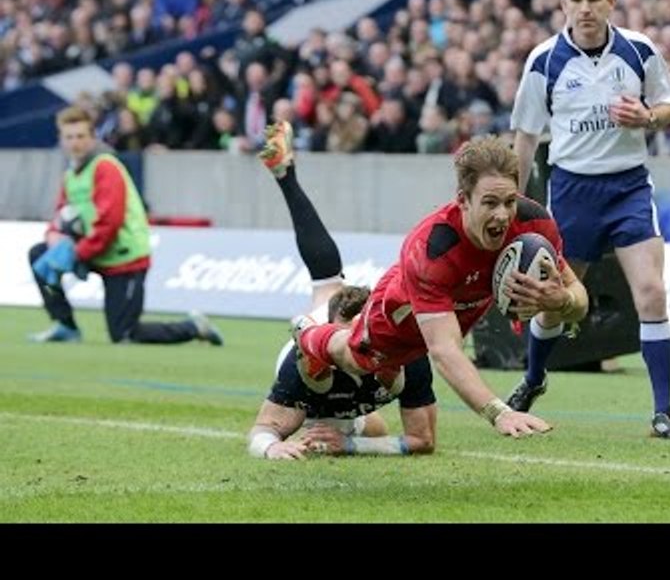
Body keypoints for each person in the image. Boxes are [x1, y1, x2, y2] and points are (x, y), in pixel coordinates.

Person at [291, 135, 589, 438]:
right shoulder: (430, 249)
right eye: (490, 203)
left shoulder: (535, 223)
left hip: (462, 306)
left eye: (510, 201)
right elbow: (444, 349)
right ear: (463, 200)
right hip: (403, 310)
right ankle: (310, 334)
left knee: (391, 380)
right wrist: (499, 412)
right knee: (356, 360)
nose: (503, 214)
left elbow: (580, 299)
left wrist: (563, 300)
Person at [509, 0, 670, 440]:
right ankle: (533, 379)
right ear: (563, 6)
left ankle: (663, 412)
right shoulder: (544, 62)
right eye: (577, 0)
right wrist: (511, 202)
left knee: (651, 294)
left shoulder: (639, 50)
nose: (586, 8)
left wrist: (647, 116)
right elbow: (526, 139)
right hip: (572, 193)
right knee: (553, 306)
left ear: (612, 2)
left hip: (629, 188)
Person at [248, 121, 436, 459]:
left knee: (328, 283)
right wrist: (272, 448)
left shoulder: (407, 351)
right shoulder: (304, 361)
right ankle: (286, 176)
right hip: (319, 367)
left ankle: (286, 176)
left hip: (347, 357)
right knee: (333, 426)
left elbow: (424, 440)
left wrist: (352, 445)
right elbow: (262, 431)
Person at [27, 105, 223, 346]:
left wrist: (76, 253)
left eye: (80, 136)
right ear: (61, 139)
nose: (75, 143)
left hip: (124, 259)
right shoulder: (70, 175)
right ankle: (65, 326)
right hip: (94, 251)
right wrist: (53, 236)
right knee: (40, 254)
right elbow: (59, 214)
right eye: (69, 137)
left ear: (92, 137)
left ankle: (193, 327)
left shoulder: (105, 167)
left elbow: (110, 223)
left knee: (125, 335)